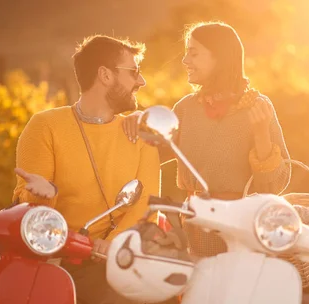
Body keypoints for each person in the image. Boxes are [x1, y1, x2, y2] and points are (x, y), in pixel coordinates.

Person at [12, 35, 160, 304]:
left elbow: (144, 209)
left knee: (127, 299)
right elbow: (26, 203)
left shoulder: (142, 136)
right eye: (133, 71)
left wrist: (108, 246)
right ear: (105, 75)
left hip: (108, 261)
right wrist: (41, 197)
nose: (140, 81)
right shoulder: (45, 126)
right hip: (54, 259)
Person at [123, 21, 291, 257]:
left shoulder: (257, 106)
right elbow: (153, 153)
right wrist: (141, 121)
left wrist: (262, 132)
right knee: (199, 288)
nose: (185, 61)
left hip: (242, 229)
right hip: (196, 228)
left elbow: (273, 185)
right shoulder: (186, 109)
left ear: (219, 58)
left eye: (194, 53)